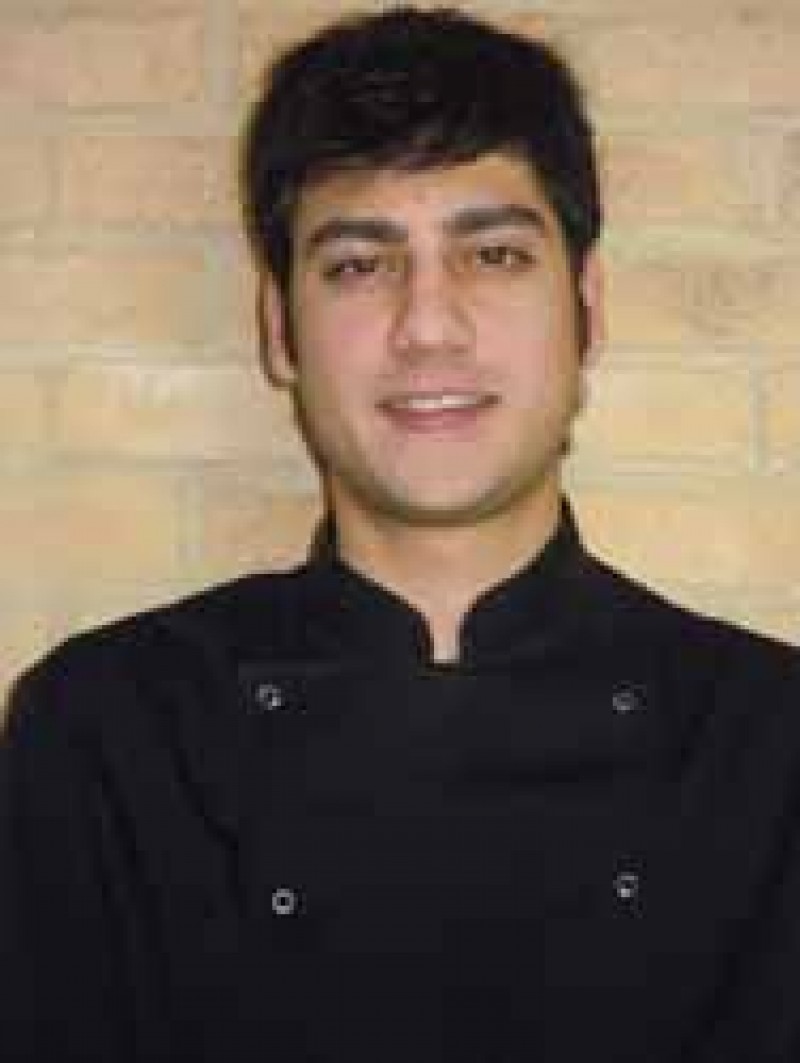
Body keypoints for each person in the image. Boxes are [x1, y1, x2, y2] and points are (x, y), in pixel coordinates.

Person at [2, 6, 799, 1061]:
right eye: (357, 265)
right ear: (278, 329)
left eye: (495, 254)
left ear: (588, 309)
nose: (428, 325)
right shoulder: (107, 735)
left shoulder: (769, 750)